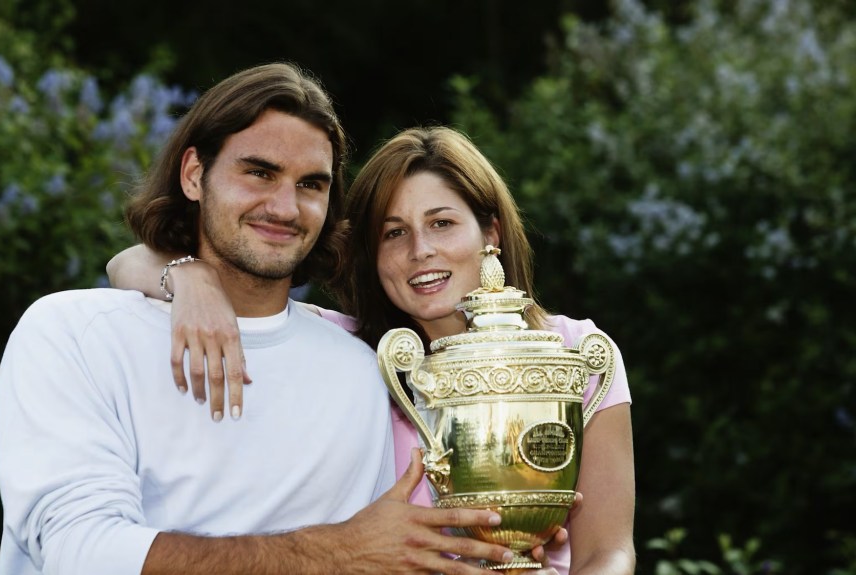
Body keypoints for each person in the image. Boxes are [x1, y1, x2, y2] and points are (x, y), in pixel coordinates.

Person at [0, 64, 519, 575]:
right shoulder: (74, 334)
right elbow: (80, 555)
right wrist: (336, 553)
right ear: (194, 174)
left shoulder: (360, 369)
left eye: (311, 184)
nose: (285, 206)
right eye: (260, 172)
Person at [108, 126, 636, 574]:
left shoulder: (575, 352)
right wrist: (194, 279)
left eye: (442, 223)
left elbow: (608, 550)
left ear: (490, 231)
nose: (420, 251)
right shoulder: (348, 351)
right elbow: (125, 266)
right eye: (393, 233)